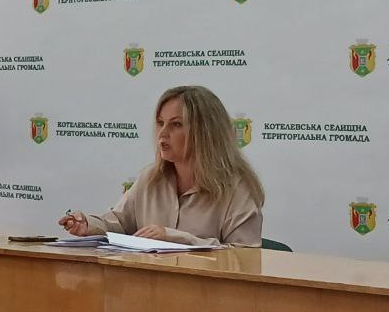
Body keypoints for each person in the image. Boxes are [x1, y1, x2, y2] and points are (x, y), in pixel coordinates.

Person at [59, 85, 263, 246]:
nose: (162, 134)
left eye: (176, 124)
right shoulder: (150, 179)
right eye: (160, 123)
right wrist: (88, 225)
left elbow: (245, 258)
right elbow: (118, 223)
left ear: (204, 132)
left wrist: (174, 237)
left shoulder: (237, 188)